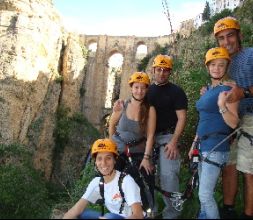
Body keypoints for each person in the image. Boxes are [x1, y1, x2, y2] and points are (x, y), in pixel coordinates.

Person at [189, 47, 239, 219]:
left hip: (216, 148)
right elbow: (203, 119)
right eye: (213, 65)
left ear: (226, 67)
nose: (216, 68)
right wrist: (194, 143)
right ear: (207, 67)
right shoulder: (208, 90)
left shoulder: (229, 90)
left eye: (221, 65)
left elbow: (234, 122)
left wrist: (222, 106)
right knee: (201, 193)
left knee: (205, 195)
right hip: (203, 145)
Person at [213, 16, 253, 219]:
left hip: (251, 118)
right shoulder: (223, 63)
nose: (226, 41)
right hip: (231, 119)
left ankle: (248, 214)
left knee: (248, 170)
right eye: (221, 38)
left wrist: (244, 93)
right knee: (228, 164)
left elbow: (239, 92)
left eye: (230, 35)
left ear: (239, 35)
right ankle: (228, 210)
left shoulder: (251, 56)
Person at [109, 71, 156, 215]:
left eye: (143, 88)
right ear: (131, 88)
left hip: (137, 153)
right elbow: (111, 125)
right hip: (118, 151)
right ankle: (118, 211)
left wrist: (146, 159)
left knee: (142, 181)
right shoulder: (122, 105)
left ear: (146, 89)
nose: (139, 91)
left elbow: (150, 135)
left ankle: (144, 213)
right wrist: (111, 147)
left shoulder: (150, 109)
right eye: (136, 87)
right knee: (112, 181)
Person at [147, 54, 188, 219]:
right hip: (149, 139)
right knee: (146, 176)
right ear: (154, 70)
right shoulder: (146, 91)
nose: (162, 73)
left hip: (168, 138)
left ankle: (171, 215)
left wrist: (174, 141)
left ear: (170, 72)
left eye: (165, 70)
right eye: (159, 69)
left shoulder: (176, 92)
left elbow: (182, 118)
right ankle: (150, 212)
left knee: (169, 178)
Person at [63, 138, 144, 219]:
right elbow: (77, 209)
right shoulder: (97, 183)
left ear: (115, 160)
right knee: (83, 214)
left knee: (110, 216)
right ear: (95, 162)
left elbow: (138, 215)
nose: (103, 163)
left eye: (108, 158)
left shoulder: (126, 181)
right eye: (99, 158)